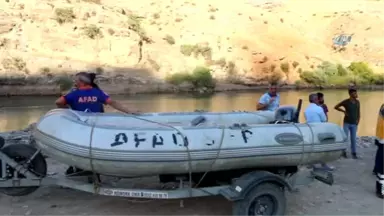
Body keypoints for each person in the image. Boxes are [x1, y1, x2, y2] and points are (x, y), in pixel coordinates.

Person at [55, 72, 139, 176]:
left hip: (81, 127)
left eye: (76, 80)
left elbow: (58, 102)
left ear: (80, 82)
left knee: (80, 148)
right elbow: (112, 102)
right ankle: (95, 171)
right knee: (95, 148)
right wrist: (129, 111)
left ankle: (79, 168)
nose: (74, 82)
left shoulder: (73, 94)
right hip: (97, 127)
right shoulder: (97, 92)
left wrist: (68, 111)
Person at [304, 93, 334, 171]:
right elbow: (324, 120)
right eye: (317, 99)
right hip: (319, 130)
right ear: (314, 100)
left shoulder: (306, 109)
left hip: (310, 130)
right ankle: (323, 165)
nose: (318, 100)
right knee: (323, 148)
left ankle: (311, 164)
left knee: (312, 147)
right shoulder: (319, 109)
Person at [334, 88, 360, 159]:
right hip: (347, 123)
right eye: (354, 93)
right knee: (345, 138)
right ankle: (343, 152)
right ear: (350, 94)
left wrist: (358, 120)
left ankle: (354, 153)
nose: (356, 94)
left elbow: (358, 112)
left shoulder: (357, 102)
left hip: (354, 123)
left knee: (353, 139)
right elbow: (336, 107)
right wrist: (344, 111)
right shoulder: (346, 102)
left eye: (356, 93)